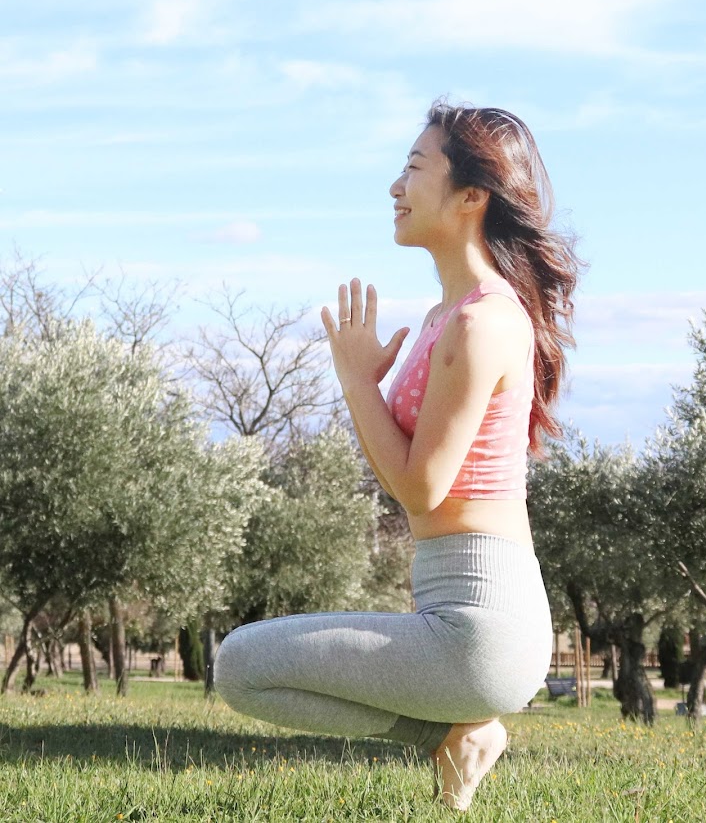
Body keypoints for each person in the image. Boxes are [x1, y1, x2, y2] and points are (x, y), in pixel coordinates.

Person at [214, 101, 581, 811]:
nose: (394, 187)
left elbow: (420, 490)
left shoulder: (482, 322)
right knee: (243, 671)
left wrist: (356, 381)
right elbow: (409, 479)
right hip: (459, 612)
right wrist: (365, 389)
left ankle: (452, 734)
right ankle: (457, 736)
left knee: (240, 665)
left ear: (472, 196)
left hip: (483, 627)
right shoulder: (453, 314)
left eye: (414, 168)